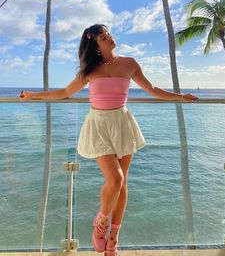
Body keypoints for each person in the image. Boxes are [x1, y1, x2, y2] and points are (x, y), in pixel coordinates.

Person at [20, 24, 198, 256]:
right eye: (104, 37)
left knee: (122, 185)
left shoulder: (129, 63)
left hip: (122, 124)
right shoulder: (89, 70)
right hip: (99, 125)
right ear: (95, 45)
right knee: (115, 179)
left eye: (109, 34)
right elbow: (64, 92)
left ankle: (113, 238)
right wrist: (33, 95)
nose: (109, 38)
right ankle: (100, 224)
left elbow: (152, 89)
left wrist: (180, 97)